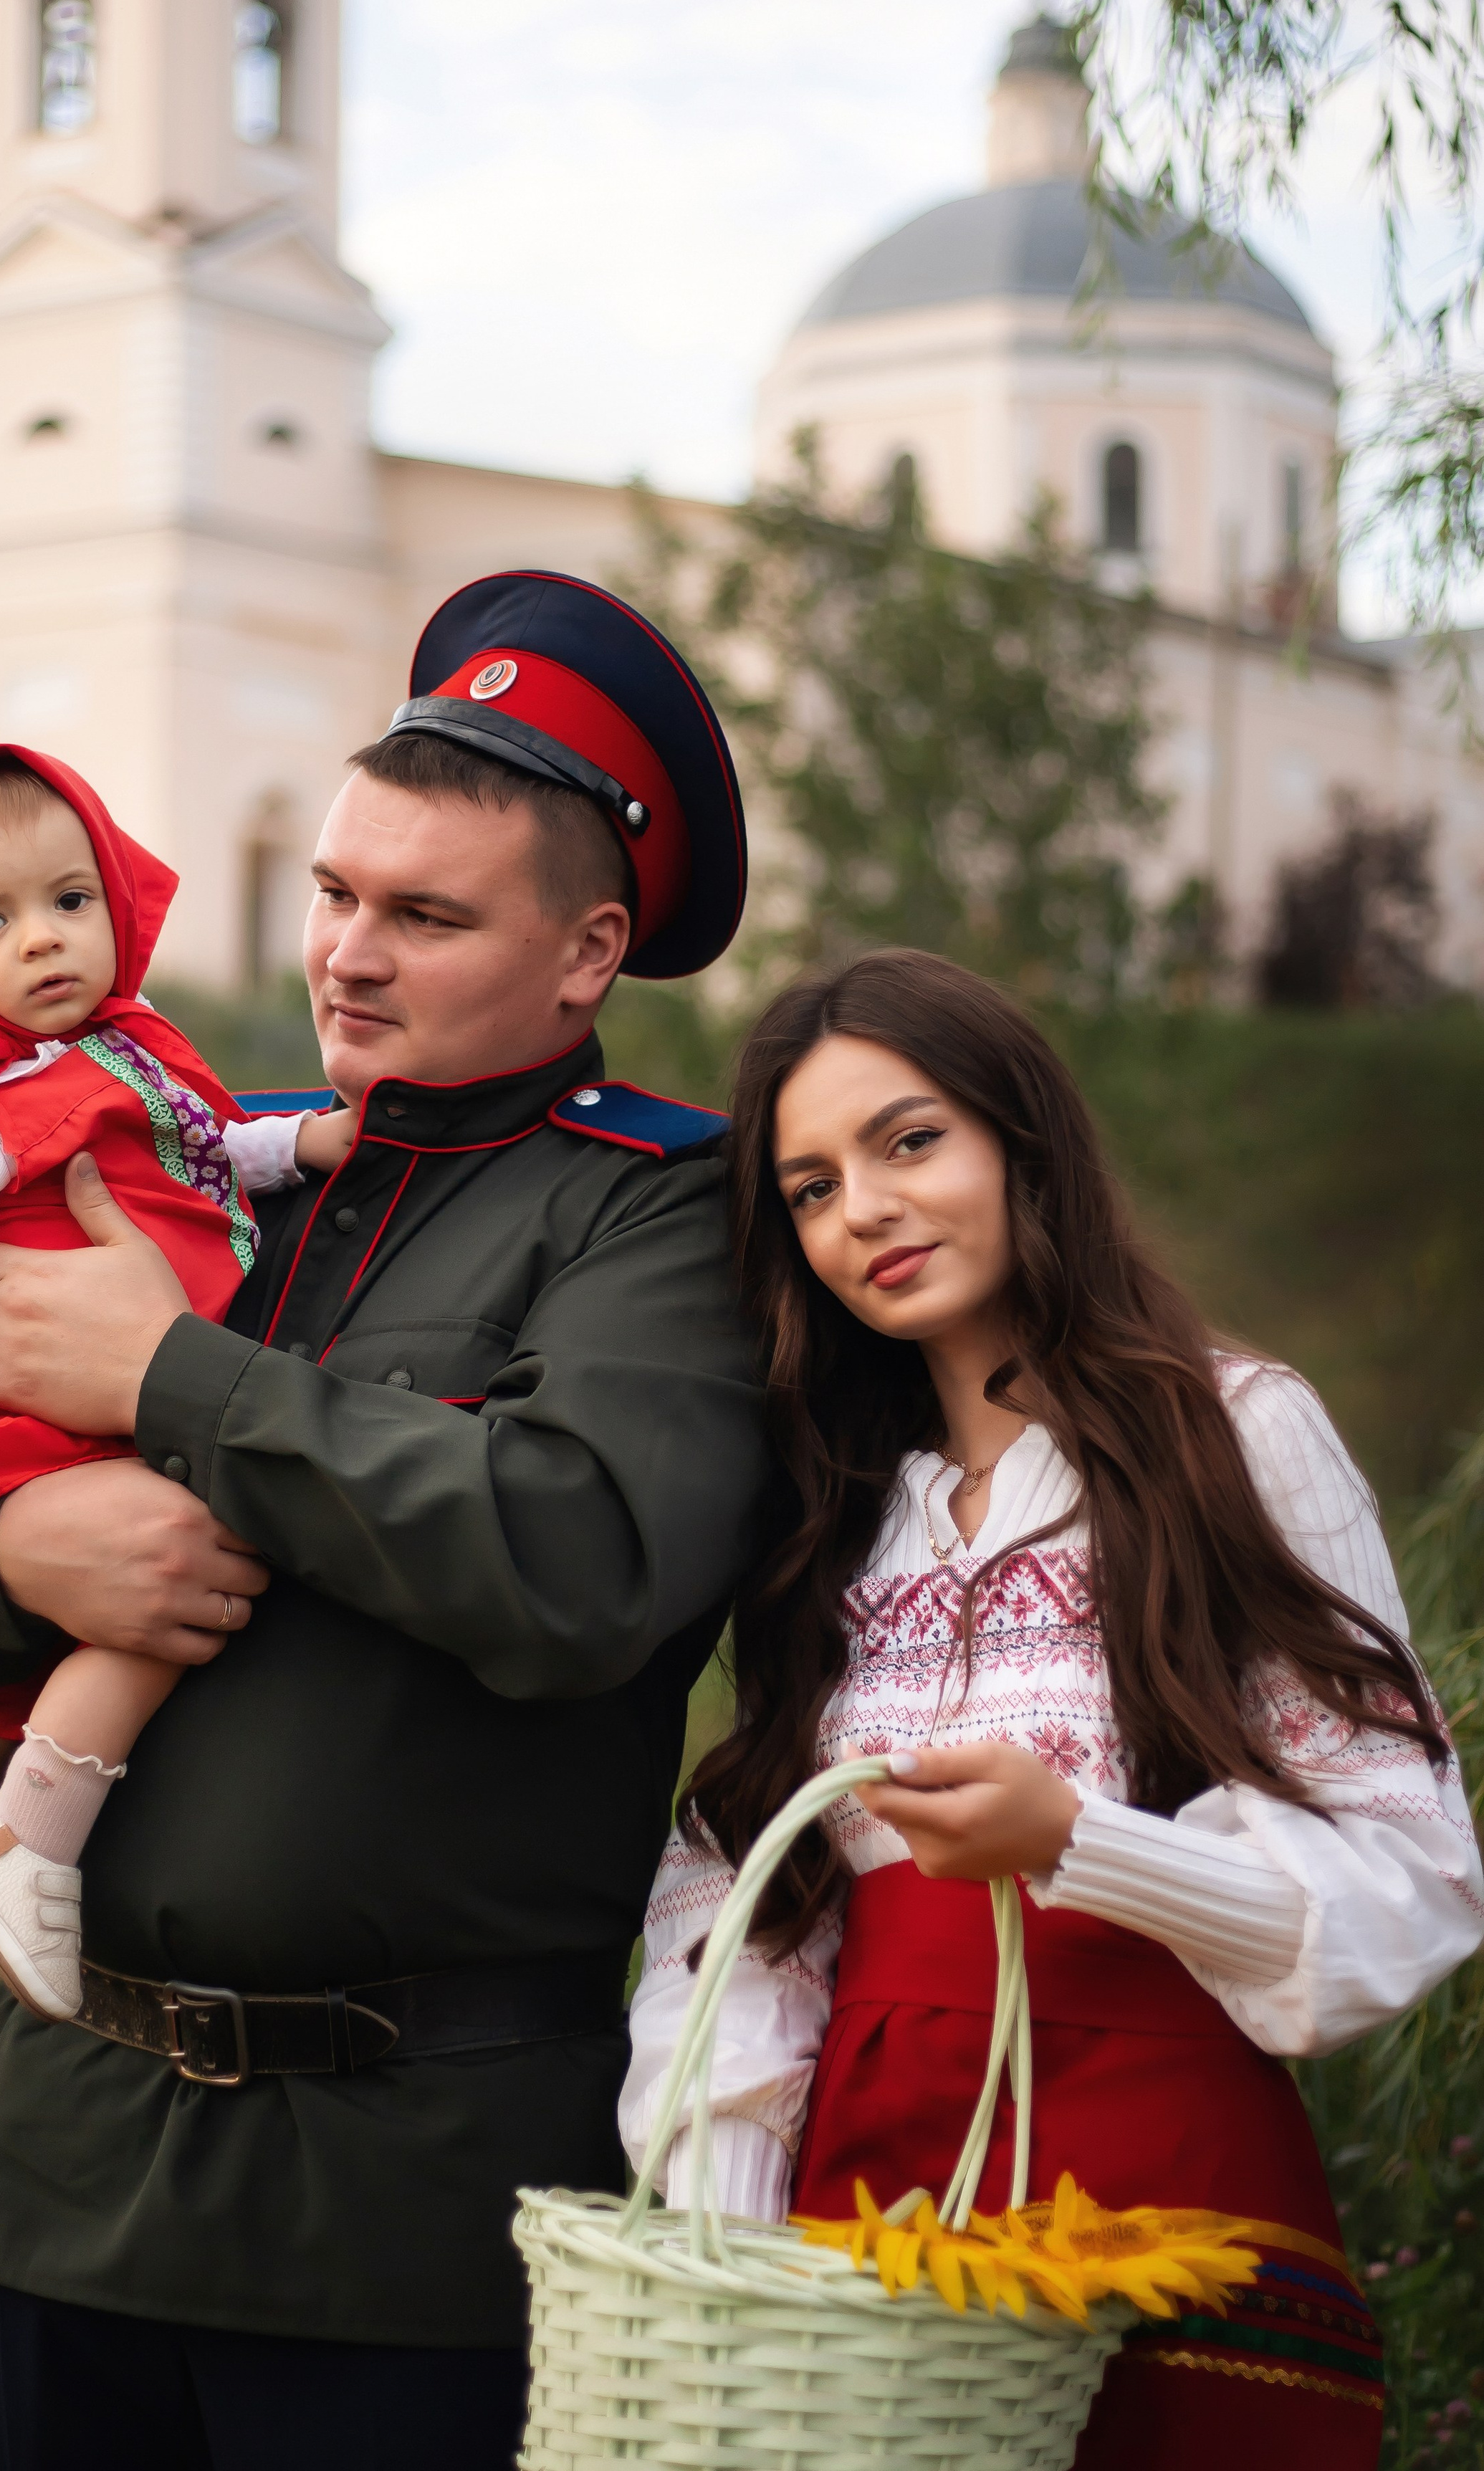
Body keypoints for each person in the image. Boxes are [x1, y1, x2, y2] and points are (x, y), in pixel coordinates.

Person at [0, 572, 772, 2471]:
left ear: (587, 952)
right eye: (337, 893)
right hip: (64, 2169)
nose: (348, 955)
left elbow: (576, 1566)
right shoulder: (162, 1157)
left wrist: (172, 1381)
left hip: (403, 2219)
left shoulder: (658, 1215)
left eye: (426, 916)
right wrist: (20, 1557)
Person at [621, 947, 1483, 2469]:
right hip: (870, 2234)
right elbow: (745, 1917)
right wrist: (732, 2268)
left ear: (1023, 1138)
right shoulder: (824, 1514)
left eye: (908, 1141)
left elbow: (1411, 1871)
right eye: (812, 1188)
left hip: (1170, 2213)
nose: (863, 1210)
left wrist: (1082, 1845)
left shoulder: (1232, 1431)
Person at [0, 742, 349, 2030]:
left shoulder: (125, 1051)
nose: (42, 941)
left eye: (68, 900)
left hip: (104, 1377)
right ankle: (29, 1841)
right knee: (169, 1571)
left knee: (82, 1603)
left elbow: (197, 1155)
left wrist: (293, 1142)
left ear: (116, 896)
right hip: (40, 1396)